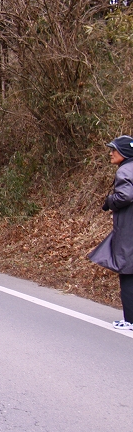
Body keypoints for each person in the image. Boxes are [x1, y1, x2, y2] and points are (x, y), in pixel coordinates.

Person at [89, 135, 133, 329]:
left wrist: (110, 201)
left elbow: (125, 195)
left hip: (129, 231)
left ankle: (130, 321)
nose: (111, 153)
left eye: (114, 150)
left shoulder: (125, 170)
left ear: (124, 153)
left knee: (127, 272)